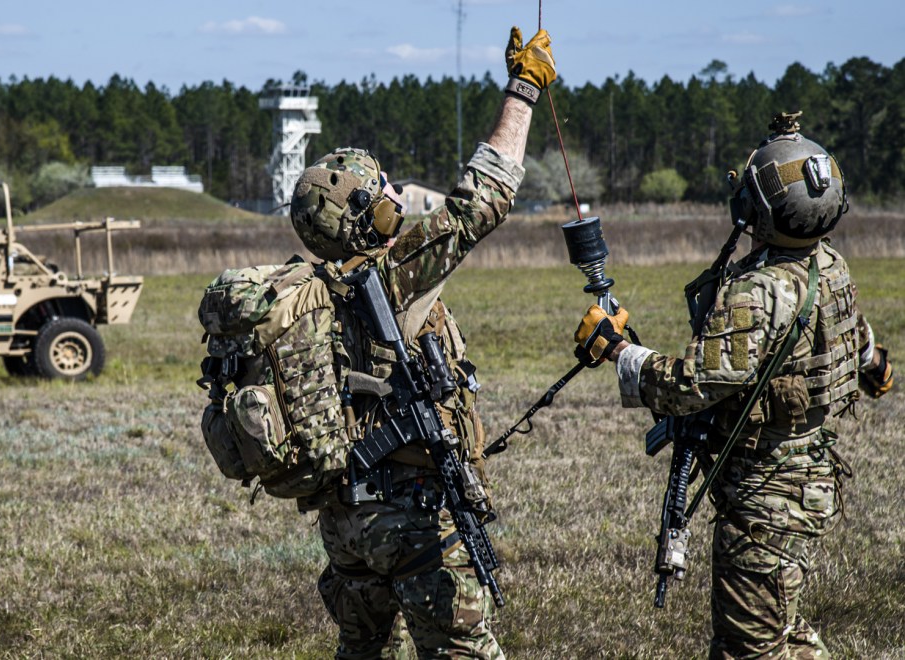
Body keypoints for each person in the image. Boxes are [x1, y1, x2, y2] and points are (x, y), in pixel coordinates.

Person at [277, 25, 555, 658]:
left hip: (345, 520)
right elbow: (485, 197)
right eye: (385, 192)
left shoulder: (311, 293)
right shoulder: (393, 272)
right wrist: (523, 88)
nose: (398, 196)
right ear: (370, 215)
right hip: (412, 515)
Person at [573, 112, 895, 659]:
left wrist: (624, 355)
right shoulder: (831, 265)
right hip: (809, 478)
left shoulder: (758, 290)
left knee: (748, 647)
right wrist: (873, 368)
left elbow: (694, 387)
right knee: (783, 634)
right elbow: (862, 346)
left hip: (766, 494)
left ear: (758, 208)